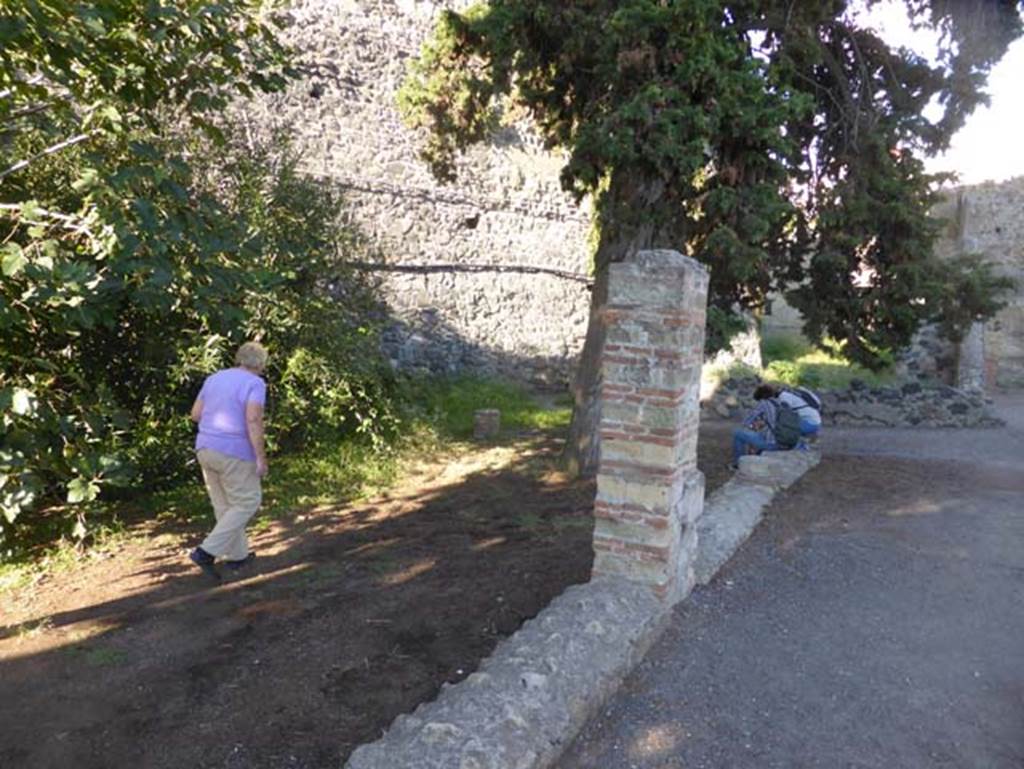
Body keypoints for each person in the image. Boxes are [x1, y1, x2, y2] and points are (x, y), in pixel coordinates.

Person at [188, 341, 269, 582]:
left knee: (224, 505)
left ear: (239, 358)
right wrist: (260, 458)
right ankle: (205, 552)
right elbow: (253, 420)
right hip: (233, 451)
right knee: (248, 501)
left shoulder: (214, 378)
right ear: (261, 363)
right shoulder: (255, 383)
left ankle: (238, 557)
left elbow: (195, 415)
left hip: (205, 448)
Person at [730, 383, 780, 468]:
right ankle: (758, 454)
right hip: (784, 441)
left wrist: (751, 426)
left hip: (772, 443)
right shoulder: (779, 402)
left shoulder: (764, 403)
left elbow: (747, 421)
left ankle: (737, 464)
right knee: (761, 433)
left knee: (737, 433)